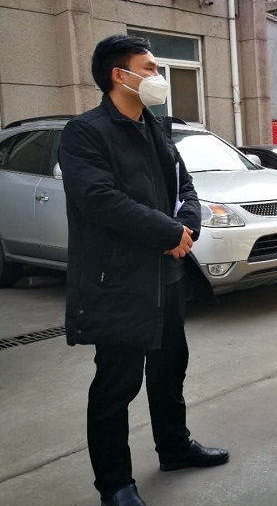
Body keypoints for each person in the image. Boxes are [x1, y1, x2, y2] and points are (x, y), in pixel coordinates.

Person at [60, 35, 228, 506]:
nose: (158, 76)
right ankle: (115, 484)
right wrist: (166, 232)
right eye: (150, 67)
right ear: (120, 75)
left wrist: (185, 228)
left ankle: (174, 447)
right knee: (117, 384)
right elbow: (98, 200)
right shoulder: (85, 132)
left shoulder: (155, 128)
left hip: (167, 275)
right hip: (120, 281)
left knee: (170, 369)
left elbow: (185, 186)